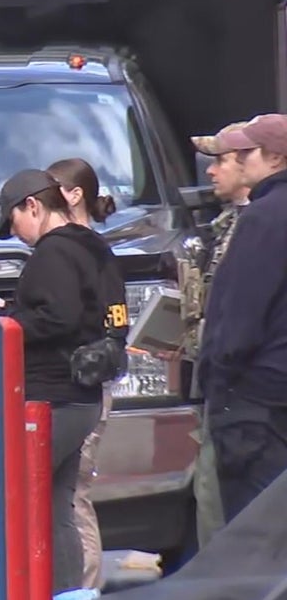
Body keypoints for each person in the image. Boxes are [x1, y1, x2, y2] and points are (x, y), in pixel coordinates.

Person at [0, 169, 128, 595]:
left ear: (33, 206)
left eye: (13, 222)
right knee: (57, 508)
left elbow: (56, 317)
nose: (15, 234)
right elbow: (88, 314)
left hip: (51, 399)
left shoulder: (53, 252)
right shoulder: (94, 245)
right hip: (84, 395)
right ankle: (69, 593)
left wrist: (1, 318)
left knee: (15, 500)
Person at [197, 113, 287, 522]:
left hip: (255, 404)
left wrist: (218, 380)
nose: (239, 160)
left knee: (251, 534)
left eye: (247, 153)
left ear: (275, 158)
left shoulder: (263, 217)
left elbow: (240, 315)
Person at [46, 157, 118, 590]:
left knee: (73, 498)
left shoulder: (83, 250)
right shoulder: (79, 247)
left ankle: (83, 588)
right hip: (78, 386)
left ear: (74, 196)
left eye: (51, 189)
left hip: (84, 385)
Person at [180, 123, 251, 546]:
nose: (210, 171)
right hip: (218, 384)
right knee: (211, 498)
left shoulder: (260, 225)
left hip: (244, 389)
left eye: (220, 160)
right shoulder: (224, 226)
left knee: (224, 503)